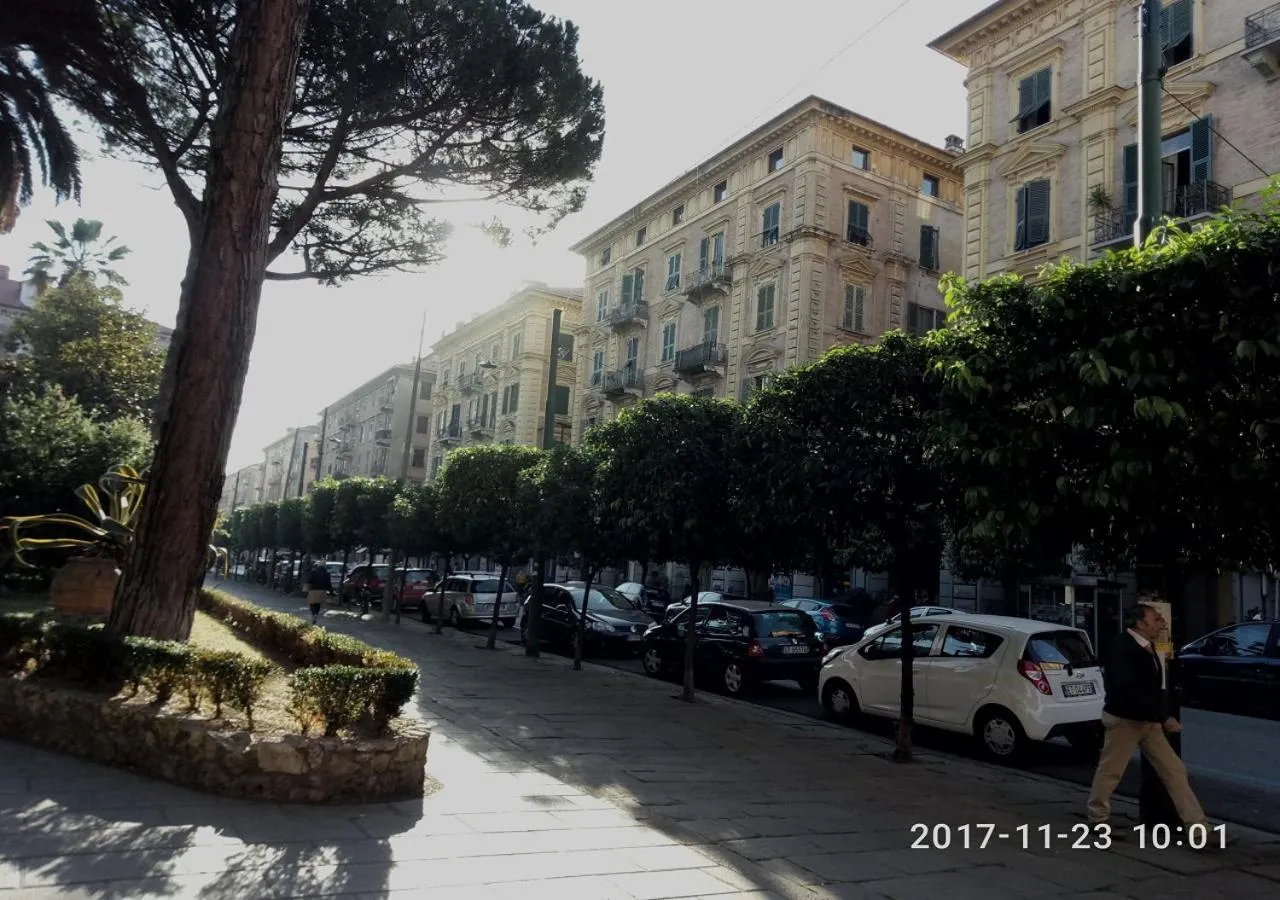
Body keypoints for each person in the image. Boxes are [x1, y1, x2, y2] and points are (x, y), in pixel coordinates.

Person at [1086, 603, 1209, 830]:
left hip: (1148, 721)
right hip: (1125, 720)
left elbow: (1152, 687)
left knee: (1174, 770)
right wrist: (1163, 717)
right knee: (1111, 771)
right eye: (1156, 619)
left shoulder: (1149, 646)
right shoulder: (1121, 647)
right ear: (1140, 623)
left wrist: (1159, 714)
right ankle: (1098, 817)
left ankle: (1198, 826)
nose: (1161, 623)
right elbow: (1127, 689)